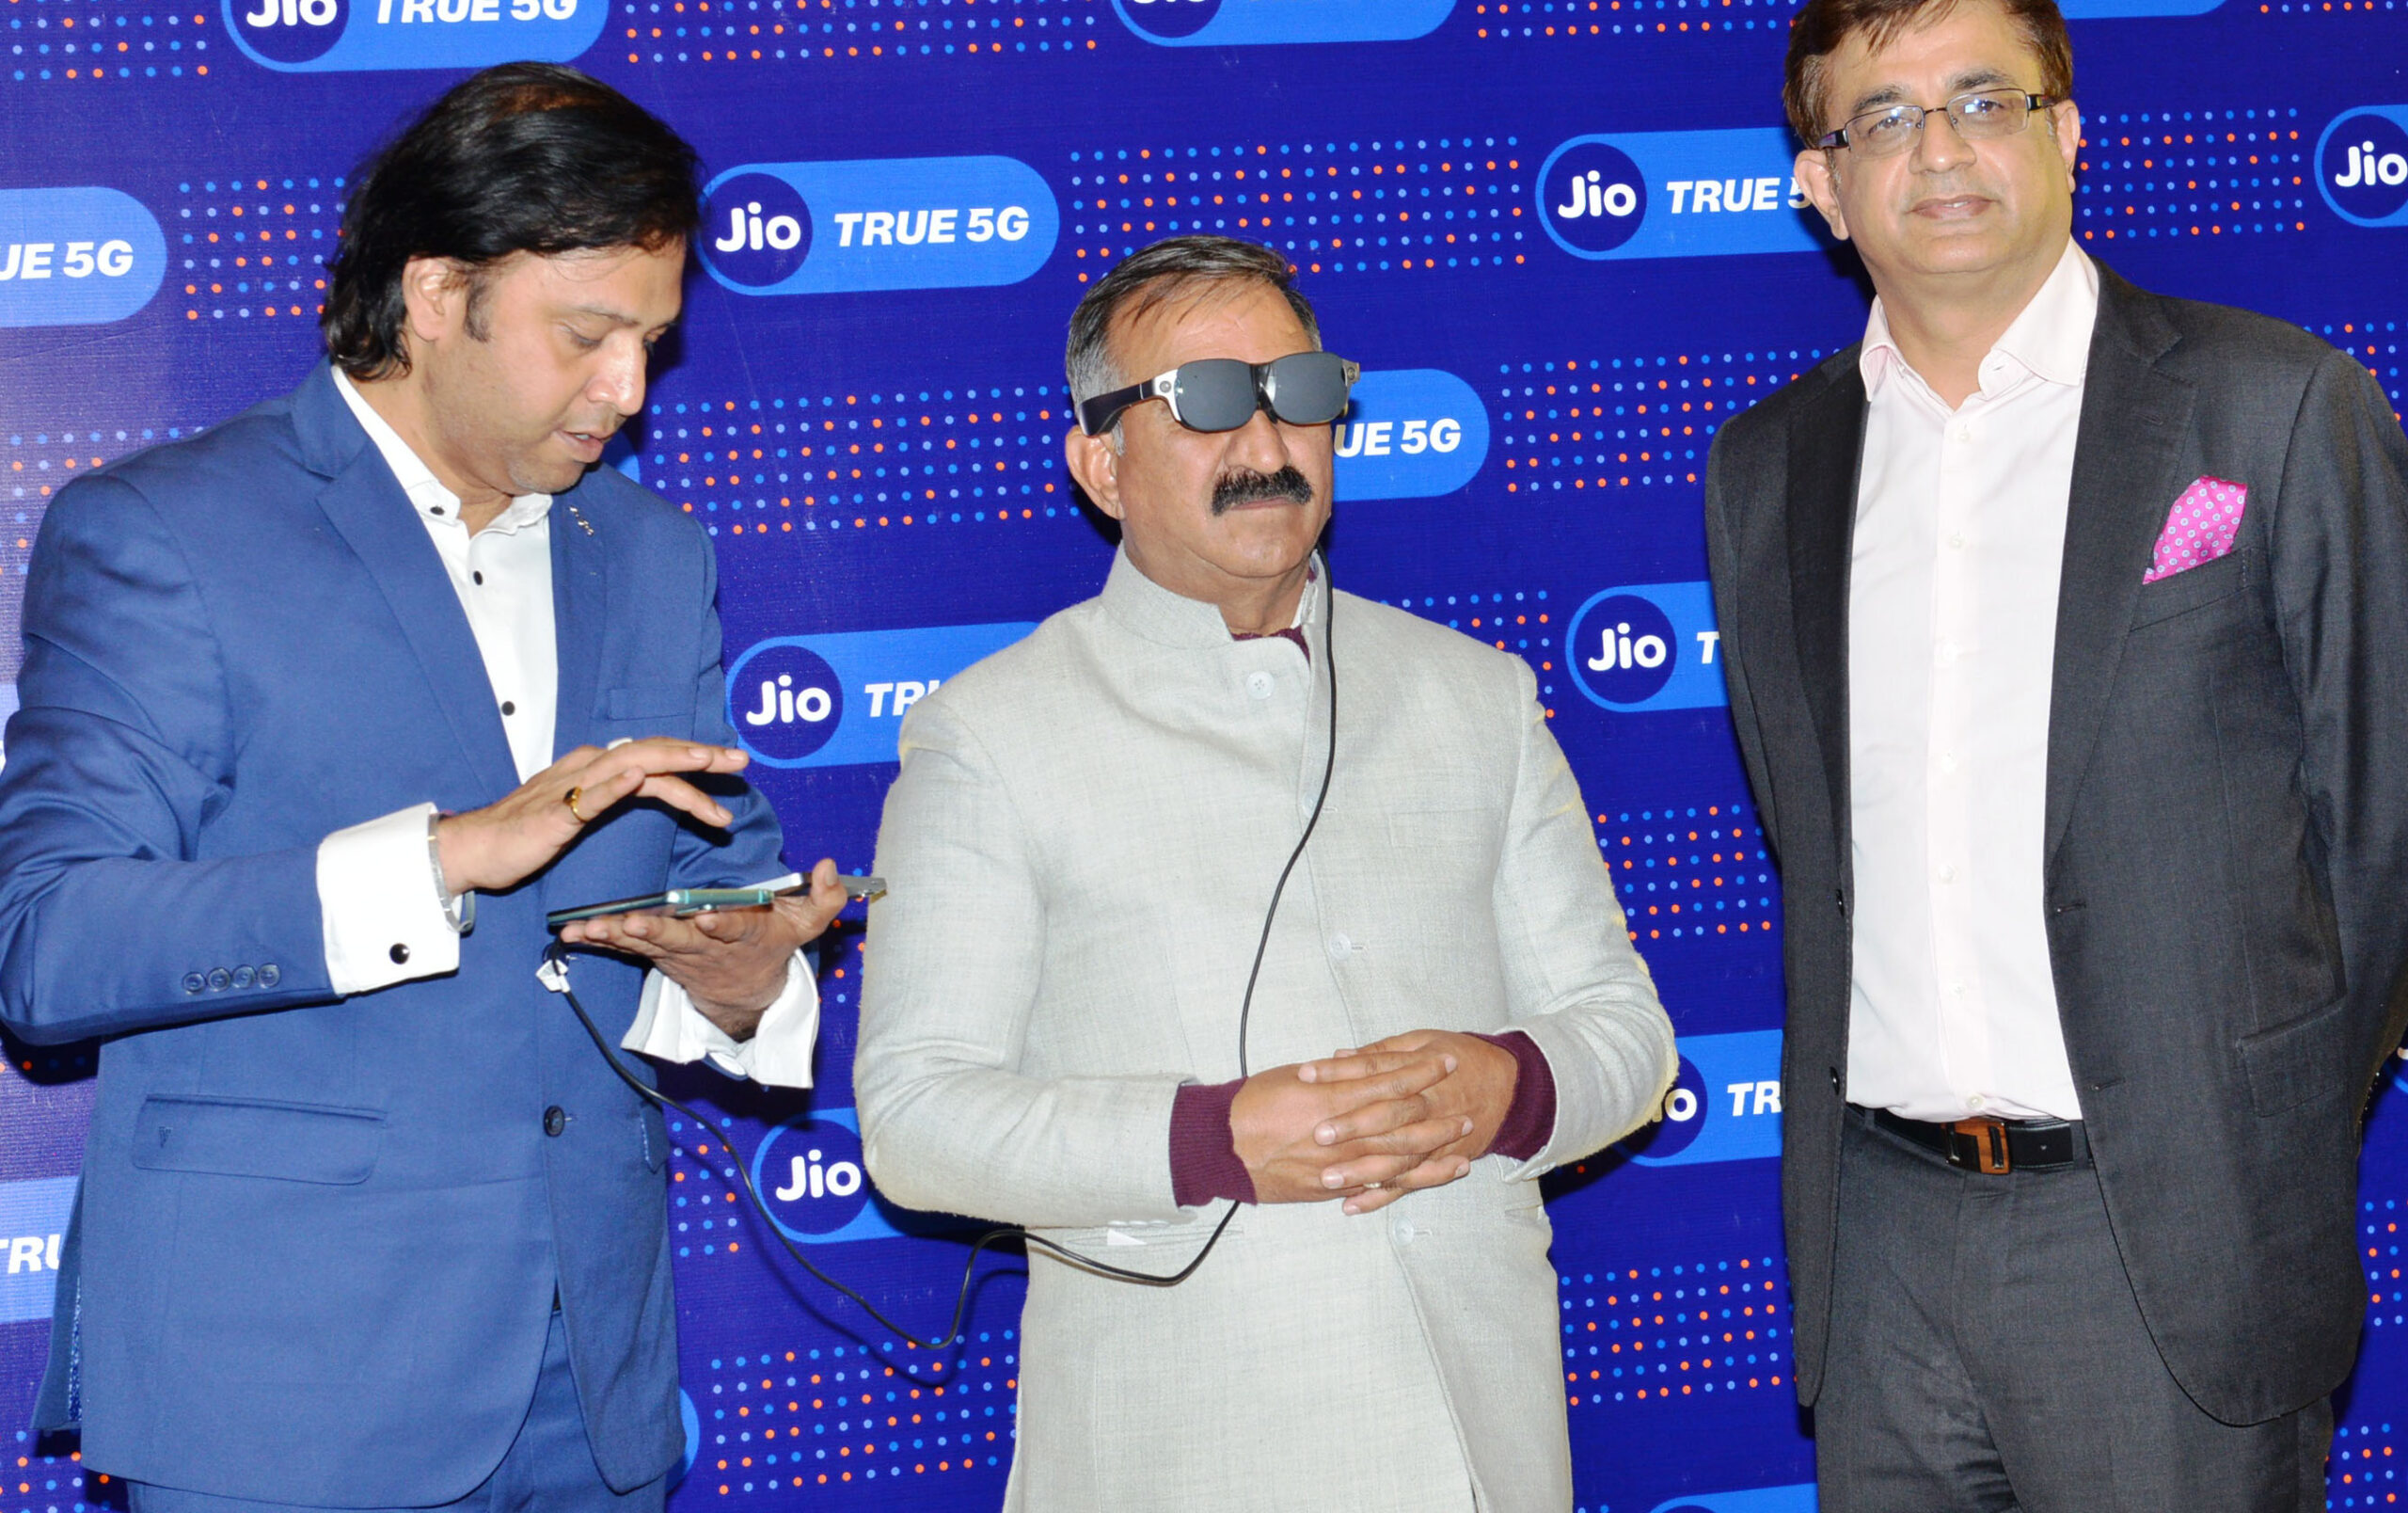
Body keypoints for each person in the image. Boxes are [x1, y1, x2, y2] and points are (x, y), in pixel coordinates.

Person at [0, 64, 851, 1512]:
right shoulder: (163, 533)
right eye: (587, 336)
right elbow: (48, 946)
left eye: (652, 343)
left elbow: (716, 876)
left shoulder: (654, 553)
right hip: (286, 1392)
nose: (629, 391)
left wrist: (746, 977)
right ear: (440, 293)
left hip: (598, 1393)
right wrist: (444, 859)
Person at [1703, 0, 2408, 1503]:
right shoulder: (1766, 467)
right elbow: (1812, 844)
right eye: (1883, 117)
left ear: (2069, 131)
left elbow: (2385, 830)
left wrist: (2248, 1135)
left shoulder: (2275, 406)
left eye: (1986, 100)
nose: (1941, 149)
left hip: (2169, 1248)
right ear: (1821, 184)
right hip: (1880, 1250)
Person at [852, 234, 1677, 1511]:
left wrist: (1508, 1089)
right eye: (1207, 400)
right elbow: (918, 1124)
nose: (1266, 440)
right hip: (1182, 1446)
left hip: (1479, 1443)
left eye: (1297, 392)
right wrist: (1212, 1141)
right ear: (1101, 464)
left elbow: (1627, 1035)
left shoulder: (1474, 695)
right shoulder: (993, 733)